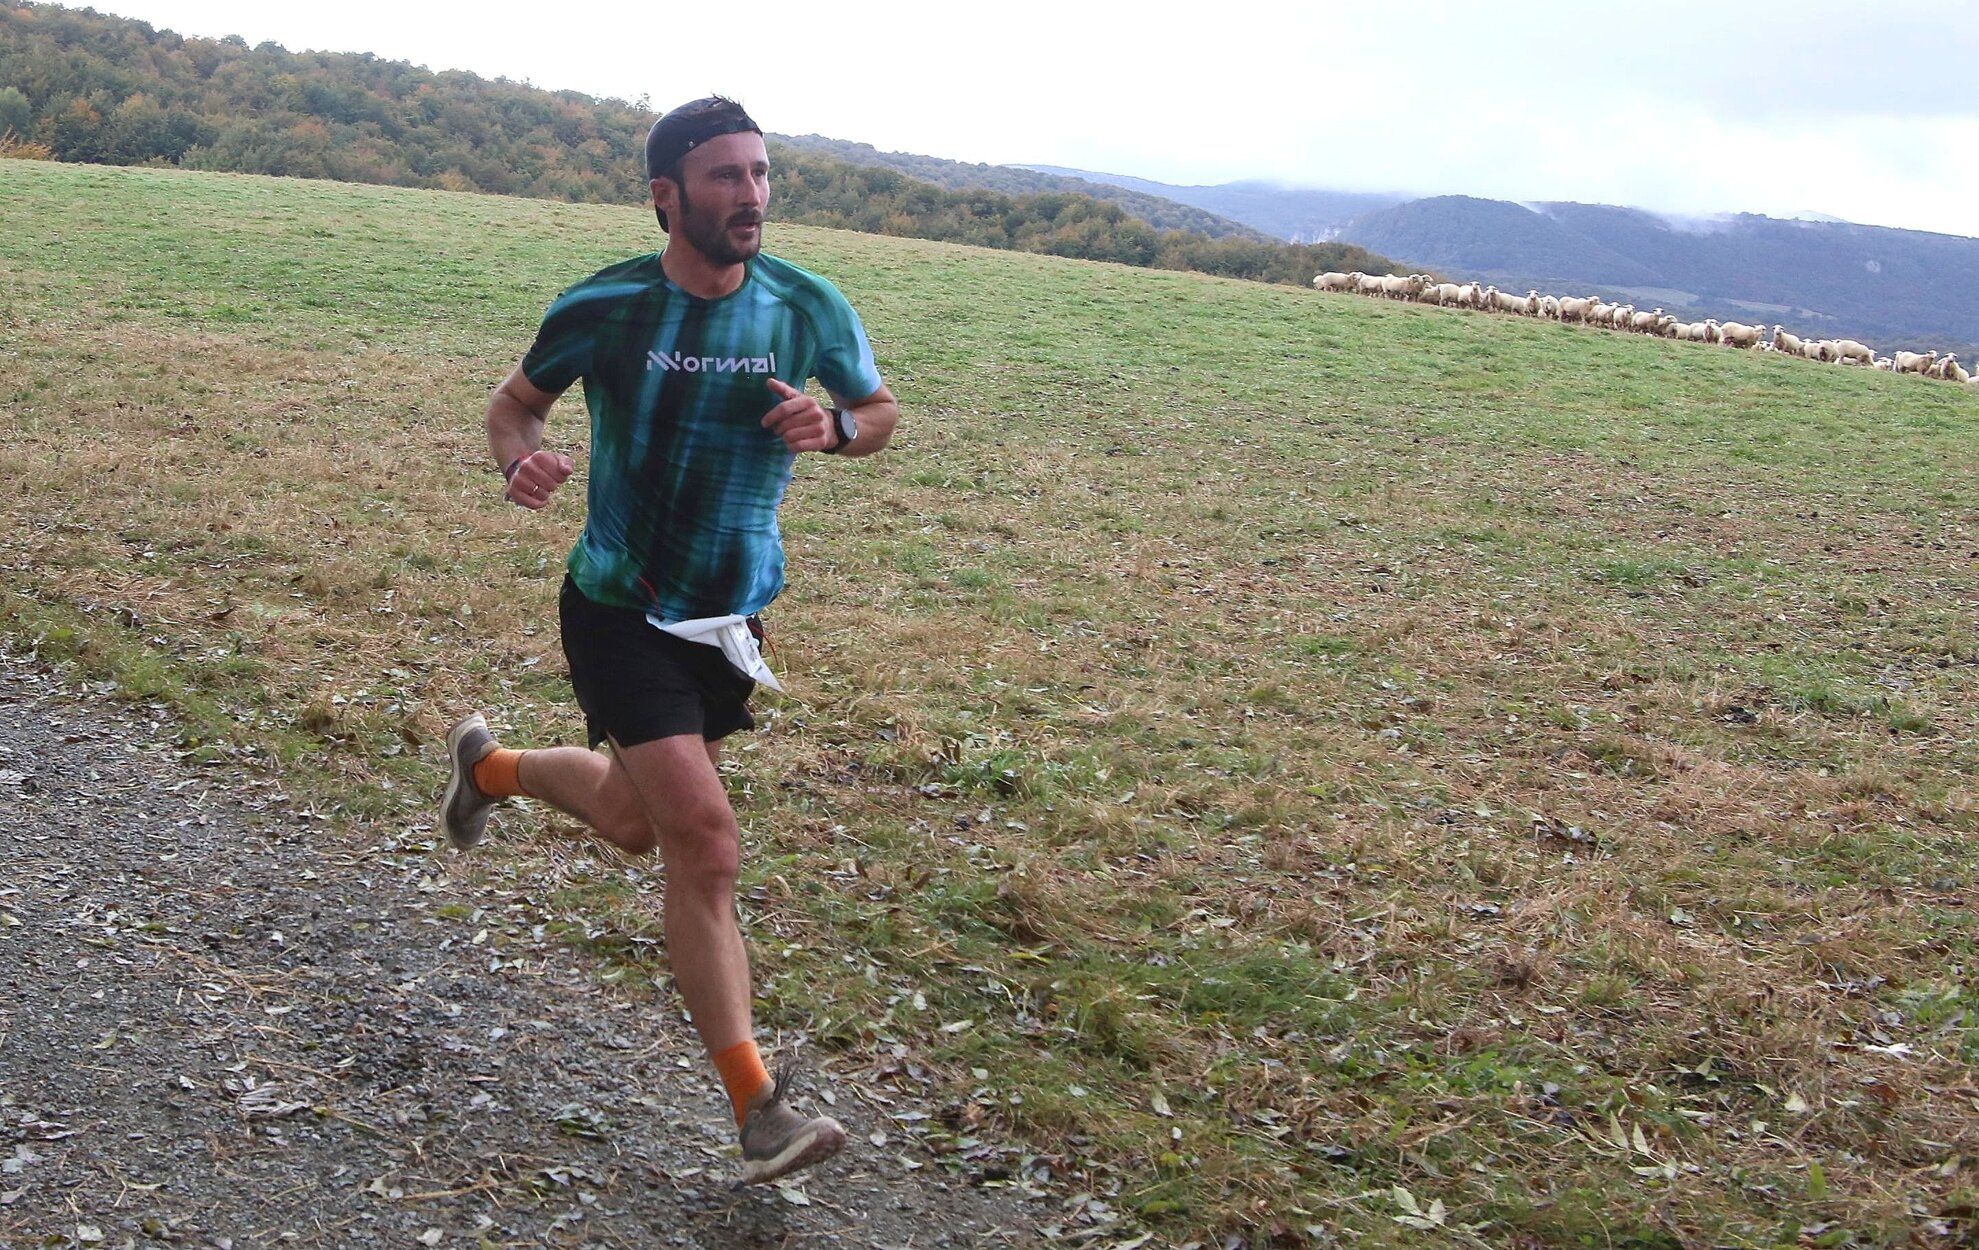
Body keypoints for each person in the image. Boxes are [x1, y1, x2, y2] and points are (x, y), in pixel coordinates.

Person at [437, 95, 898, 1186]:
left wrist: (833, 427)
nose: (750, 195)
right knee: (704, 838)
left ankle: (490, 767)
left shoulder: (805, 304)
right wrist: (519, 460)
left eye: (760, 173)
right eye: (726, 177)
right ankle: (759, 1109)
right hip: (616, 604)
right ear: (665, 196)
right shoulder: (606, 306)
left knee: (629, 820)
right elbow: (514, 405)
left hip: (728, 616)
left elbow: (878, 412)